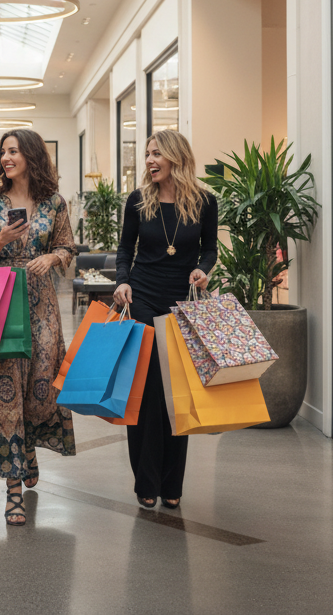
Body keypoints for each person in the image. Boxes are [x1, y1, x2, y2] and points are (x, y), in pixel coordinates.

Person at [0, 129, 77, 526]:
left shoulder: (55, 203)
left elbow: (67, 246)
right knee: (5, 393)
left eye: (13, 151)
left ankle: (27, 448)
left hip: (43, 307)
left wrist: (51, 259)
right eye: (3, 152)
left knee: (41, 388)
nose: (6, 158)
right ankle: (13, 488)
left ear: (31, 155)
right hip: (0, 303)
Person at [113, 129, 218, 509]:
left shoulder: (205, 201)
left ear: (176, 156)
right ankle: (147, 481)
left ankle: (173, 483)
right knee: (147, 392)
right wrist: (122, 281)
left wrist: (203, 271)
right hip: (142, 299)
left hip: (181, 304)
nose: (150, 161)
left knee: (177, 395)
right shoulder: (138, 201)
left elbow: (210, 250)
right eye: (147, 155)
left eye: (157, 153)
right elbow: (125, 249)